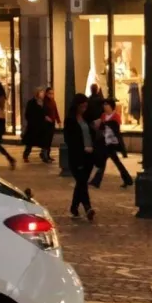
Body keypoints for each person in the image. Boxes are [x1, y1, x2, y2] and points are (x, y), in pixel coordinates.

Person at [62, 93, 97, 221]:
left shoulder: (87, 118)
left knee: (81, 183)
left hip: (89, 155)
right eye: (82, 106)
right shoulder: (70, 120)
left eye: (85, 106)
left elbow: (91, 133)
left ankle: (74, 207)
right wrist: (82, 148)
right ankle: (88, 208)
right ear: (76, 106)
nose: (84, 109)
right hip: (77, 156)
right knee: (82, 182)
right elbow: (69, 139)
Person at [90, 97, 134, 188]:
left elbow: (116, 129)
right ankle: (127, 179)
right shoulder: (103, 115)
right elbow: (101, 127)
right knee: (112, 161)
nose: (105, 106)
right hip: (105, 142)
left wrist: (106, 125)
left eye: (107, 104)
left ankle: (97, 181)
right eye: (104, 105)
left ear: (111, 106)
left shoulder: (115, 116)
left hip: (112, 142)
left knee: (111, 161)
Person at [22, 89, 50, 163]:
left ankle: (44, 156)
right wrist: (31, 121)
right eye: (41, 92)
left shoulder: (44, 102)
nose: (42, 94)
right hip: (33, 126)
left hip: (42, 126)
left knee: (44, 142)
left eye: (43, 93)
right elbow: (27, 114)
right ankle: (25, 155)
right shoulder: (31, 102)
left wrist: (46, 117)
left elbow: (44, 112)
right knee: (30, 143)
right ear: (37, 93)